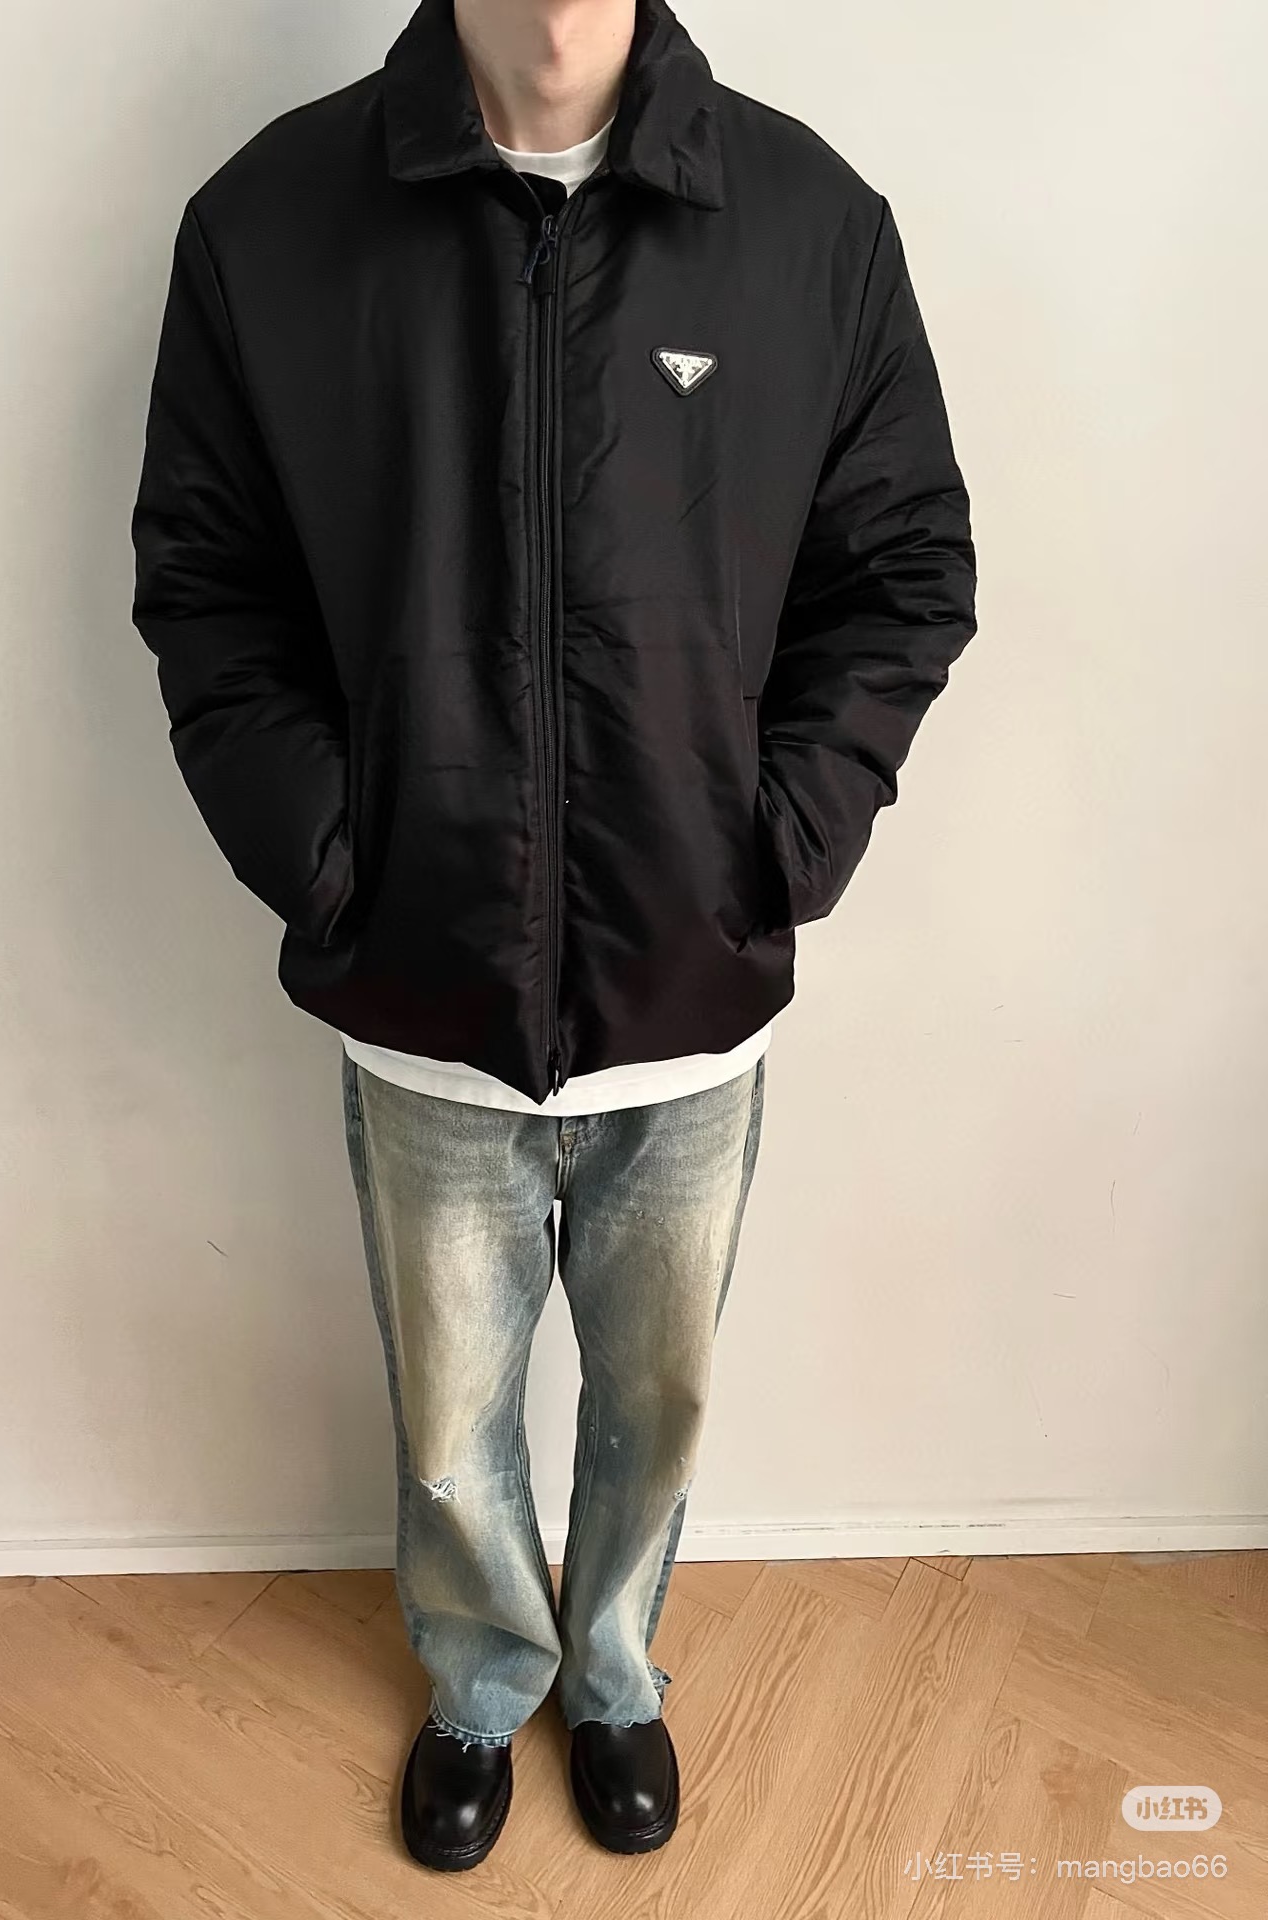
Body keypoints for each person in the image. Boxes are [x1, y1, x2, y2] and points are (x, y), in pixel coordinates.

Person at [130, 0, 976, 1874]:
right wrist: (331, 856)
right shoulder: (274, 223)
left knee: (655, 1401)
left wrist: (783, 838)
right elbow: (207, 584)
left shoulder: (808, 224)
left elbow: (903, 565)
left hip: (691, 985)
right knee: (452, 1420)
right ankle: (480, 1681)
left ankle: (609, 1674)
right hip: (422, 987)